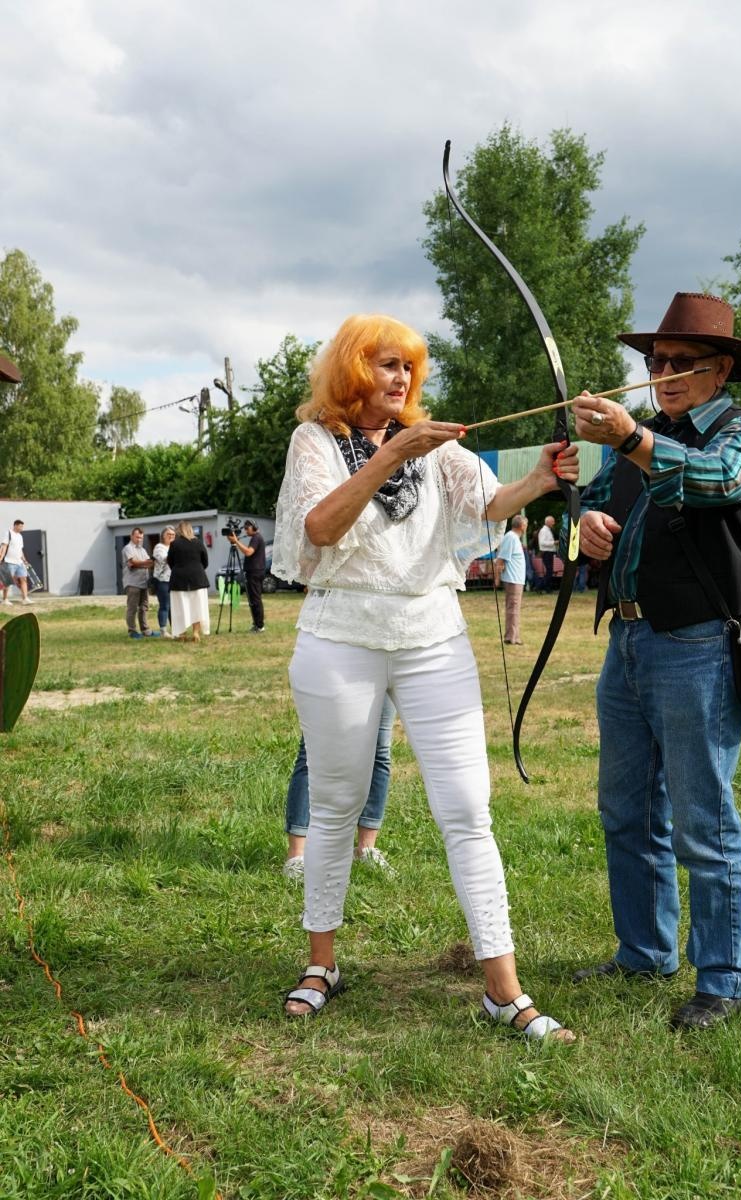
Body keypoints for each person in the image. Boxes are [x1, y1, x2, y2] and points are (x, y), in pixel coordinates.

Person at [271, 313, 579, 1041]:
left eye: (408, 367)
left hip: (433, 636)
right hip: (341, 636)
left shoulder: (434, 446)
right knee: (337, 807)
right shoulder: (316, 440)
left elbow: (491, 504)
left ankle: (503, 990)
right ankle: (321, 965)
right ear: (353, 371)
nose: (401, 379)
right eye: (386, 365)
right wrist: (393, 451)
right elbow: (320, 526)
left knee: (469, 808)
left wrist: (538, 477)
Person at [569, 292, 741, 1030]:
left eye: (679, 363)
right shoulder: (645, 434)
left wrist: (631, 435)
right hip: (628, 641)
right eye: (654, 361)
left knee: (703, 819)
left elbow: (714, 481)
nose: (661, 372)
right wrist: (588, 523)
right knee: (625, 810)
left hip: (698, 644)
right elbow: (597, 500)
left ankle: (727, 974)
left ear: (720, 370)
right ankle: (644, 950)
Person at [283, 695, 396, 879]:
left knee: (379, 750)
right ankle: (297, 855)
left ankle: (365, 849)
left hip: (384, 667)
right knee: (313, 750)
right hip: (333, 669)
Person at [167, 521, 210, 643]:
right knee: (197, 607)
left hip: (179, 579)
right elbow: (205, 562)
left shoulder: (174, 544)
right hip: (198, 578)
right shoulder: (198, 543)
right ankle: (196, 632)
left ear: (179, 530)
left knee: (180, 607)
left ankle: (182, 633)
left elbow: (170, 561)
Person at [227, 519, 267, 633]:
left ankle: (260, 625)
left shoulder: (256, 538)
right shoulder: (255, 538)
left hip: (255, 572)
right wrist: (235, 540)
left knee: (255, 599)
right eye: (244, 528)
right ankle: (257, 624)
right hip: (254, 571)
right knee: (253, 599)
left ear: (254, 527)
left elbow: (249, 552)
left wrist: (236, 542)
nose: (245, 530)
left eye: (247, 528)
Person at [494, 514, 528, 644]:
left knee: (514, 608)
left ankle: (513, 636)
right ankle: (511, 637)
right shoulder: (511, 538)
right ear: (521, 525)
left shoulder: (513, 538)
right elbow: (500, 559)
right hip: (513, 579)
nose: (526, 527)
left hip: (516, 579)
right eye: (525, 524)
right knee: (513, 609)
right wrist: (497, 579)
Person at [121, 527, 156, 637]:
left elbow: (149, 563)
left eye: (141, 537)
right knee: (132, 607)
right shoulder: (128, 548)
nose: (139, 539)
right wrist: (144, 563)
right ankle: (132, 631)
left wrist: (140, 563)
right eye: (137, 537)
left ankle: (145, 630)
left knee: (144, 607)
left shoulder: (142, 550)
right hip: (132, 583)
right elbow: (132, 563)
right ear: (131, 536)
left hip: (143, 583)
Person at [0, 519, 34, 605]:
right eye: (20, 526)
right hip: (9, 561)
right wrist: (1, 558)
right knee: (7, 581)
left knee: (23, 579)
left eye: (22, 526)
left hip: (19, 562)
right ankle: (5, 600)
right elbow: (4, 546)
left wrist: (24, 559)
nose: (22, 528)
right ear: (15, 525)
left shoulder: (20, 536)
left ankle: (25, 598)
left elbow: (20, 550)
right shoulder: (9, 533)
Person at [152, 526, 176, 636]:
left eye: (173, 535)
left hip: (174, 580)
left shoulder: (174, 547)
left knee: (173, 606)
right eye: (169, 534)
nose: (171, 536)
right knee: (165, 605)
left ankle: (175, 629)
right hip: (162, 580)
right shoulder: (159, 547)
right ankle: (163, 630)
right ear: (163, 536)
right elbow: (163, 558)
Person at [535, 515, 557, 592]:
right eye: (552, 521)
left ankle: (546, 588)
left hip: (549, 552)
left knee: (549, 571)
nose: (554, 523)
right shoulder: (544, 531)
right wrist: (554, 542)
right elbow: (542, 543)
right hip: (546, 552)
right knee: (549, 571)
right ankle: (540, 587)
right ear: (548, 522)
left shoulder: (547, 530)